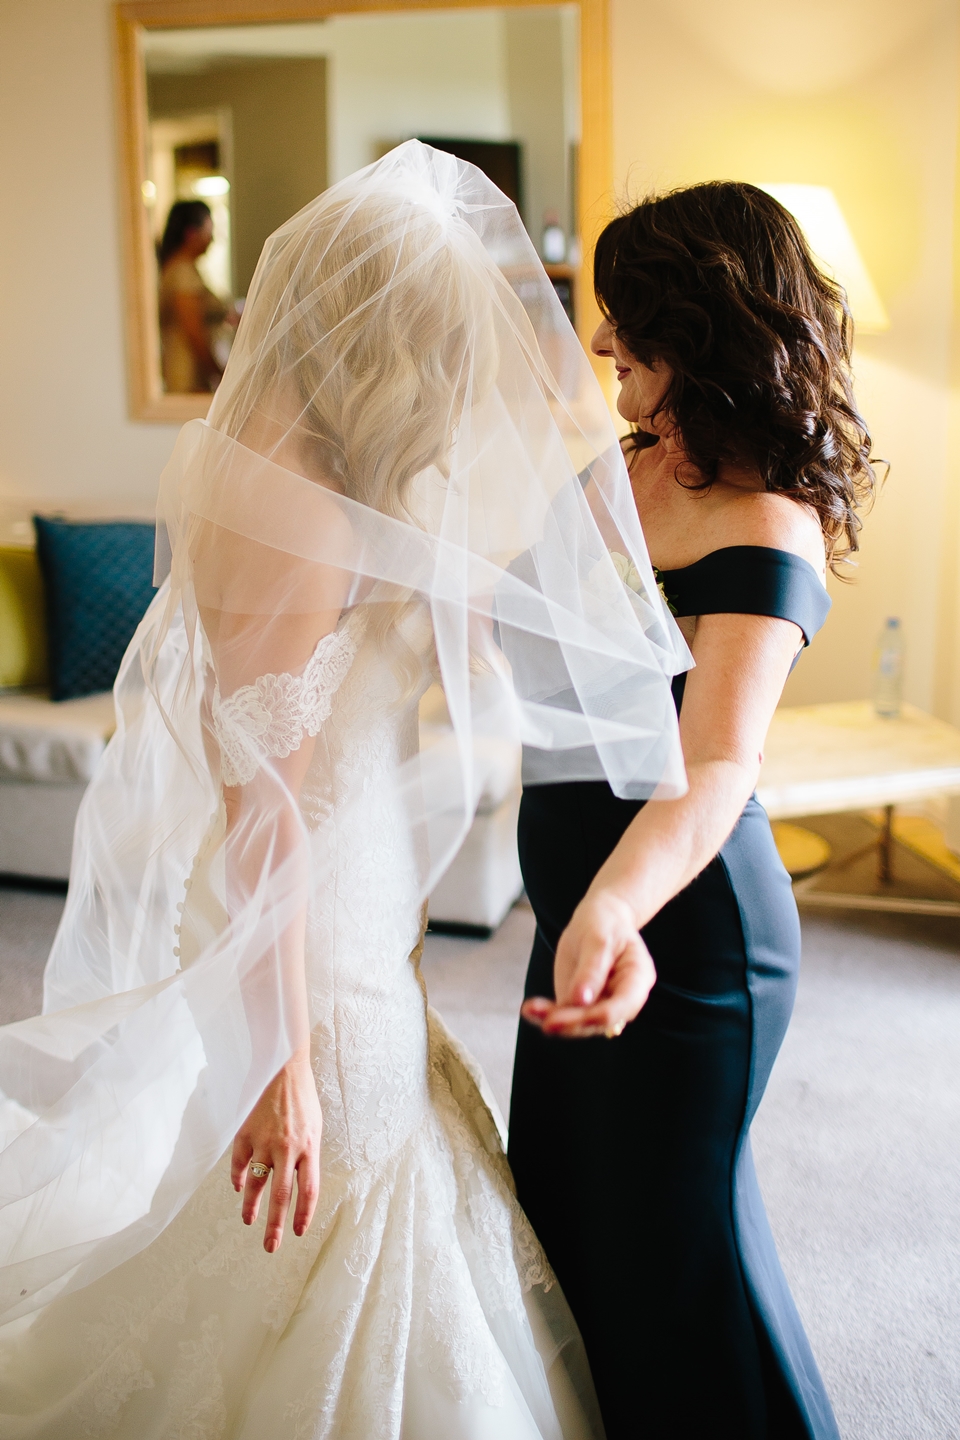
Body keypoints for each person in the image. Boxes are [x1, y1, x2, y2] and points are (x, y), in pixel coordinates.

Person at [0, 143, 689, 1437]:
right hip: (306, 912)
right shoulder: (299, 509)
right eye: (442, 337)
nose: (458, 368)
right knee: (343, 1156)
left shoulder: (321, 470)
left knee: (358, 1172)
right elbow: (264, 810)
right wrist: (283, 1060)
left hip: (350, 886)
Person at [508, 181, 875, 1440]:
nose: (604, 343)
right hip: (580, 914)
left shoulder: (769, 520)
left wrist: (612, 904)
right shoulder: (624, 465)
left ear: (702, 330)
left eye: (631, 321)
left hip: (685, 926)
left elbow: (715, 763)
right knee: (561, 1211)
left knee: (682, 1253)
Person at [158, 198, 230, 394]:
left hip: (192, 371)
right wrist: (218, 372)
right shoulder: (182, 273)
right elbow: (193, 330)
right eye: (209, 231)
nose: (212, 239)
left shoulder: (184, 269)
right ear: (191, 233)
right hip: (186, 372)